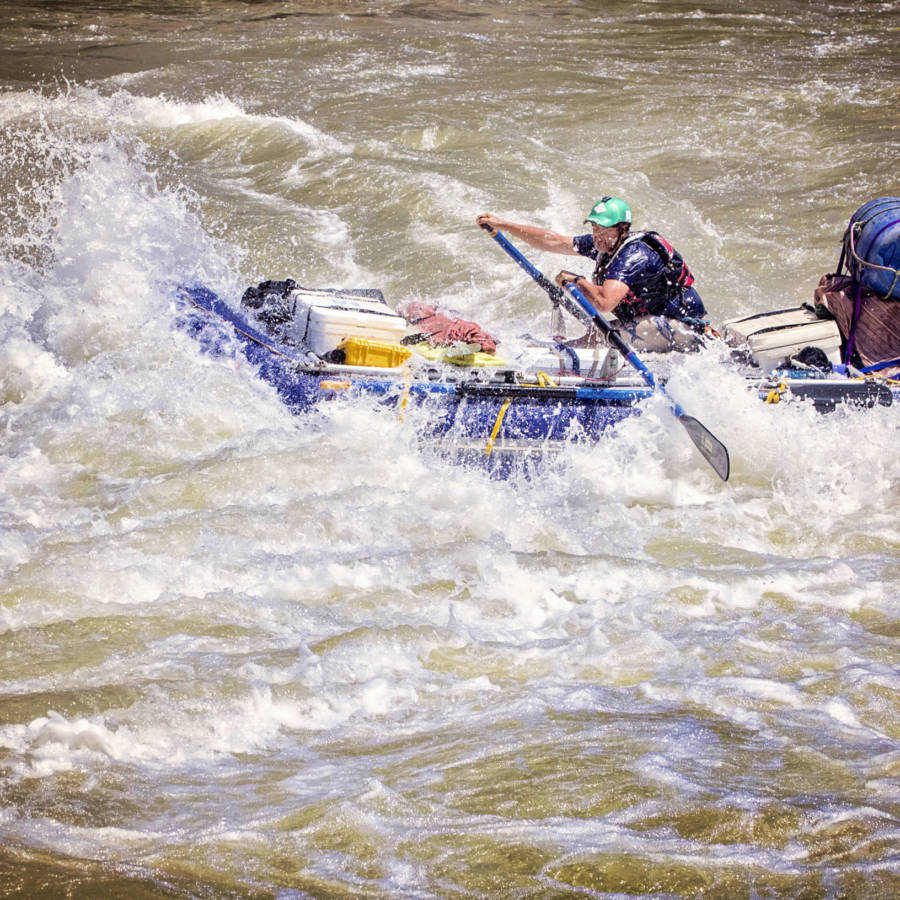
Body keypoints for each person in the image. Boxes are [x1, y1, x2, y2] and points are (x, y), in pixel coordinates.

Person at [477, 197, 710, 352]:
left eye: (605, 229)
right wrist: (503, 225)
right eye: (595, 228)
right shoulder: (606, 244)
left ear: (622, 229)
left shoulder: (633, 256)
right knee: (594, 334)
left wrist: (576, 281)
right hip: (653, 321)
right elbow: (555, 241)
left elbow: (604, 303)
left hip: (683, 327)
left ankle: (556, 355)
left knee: (595, 339)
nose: (598, 235)